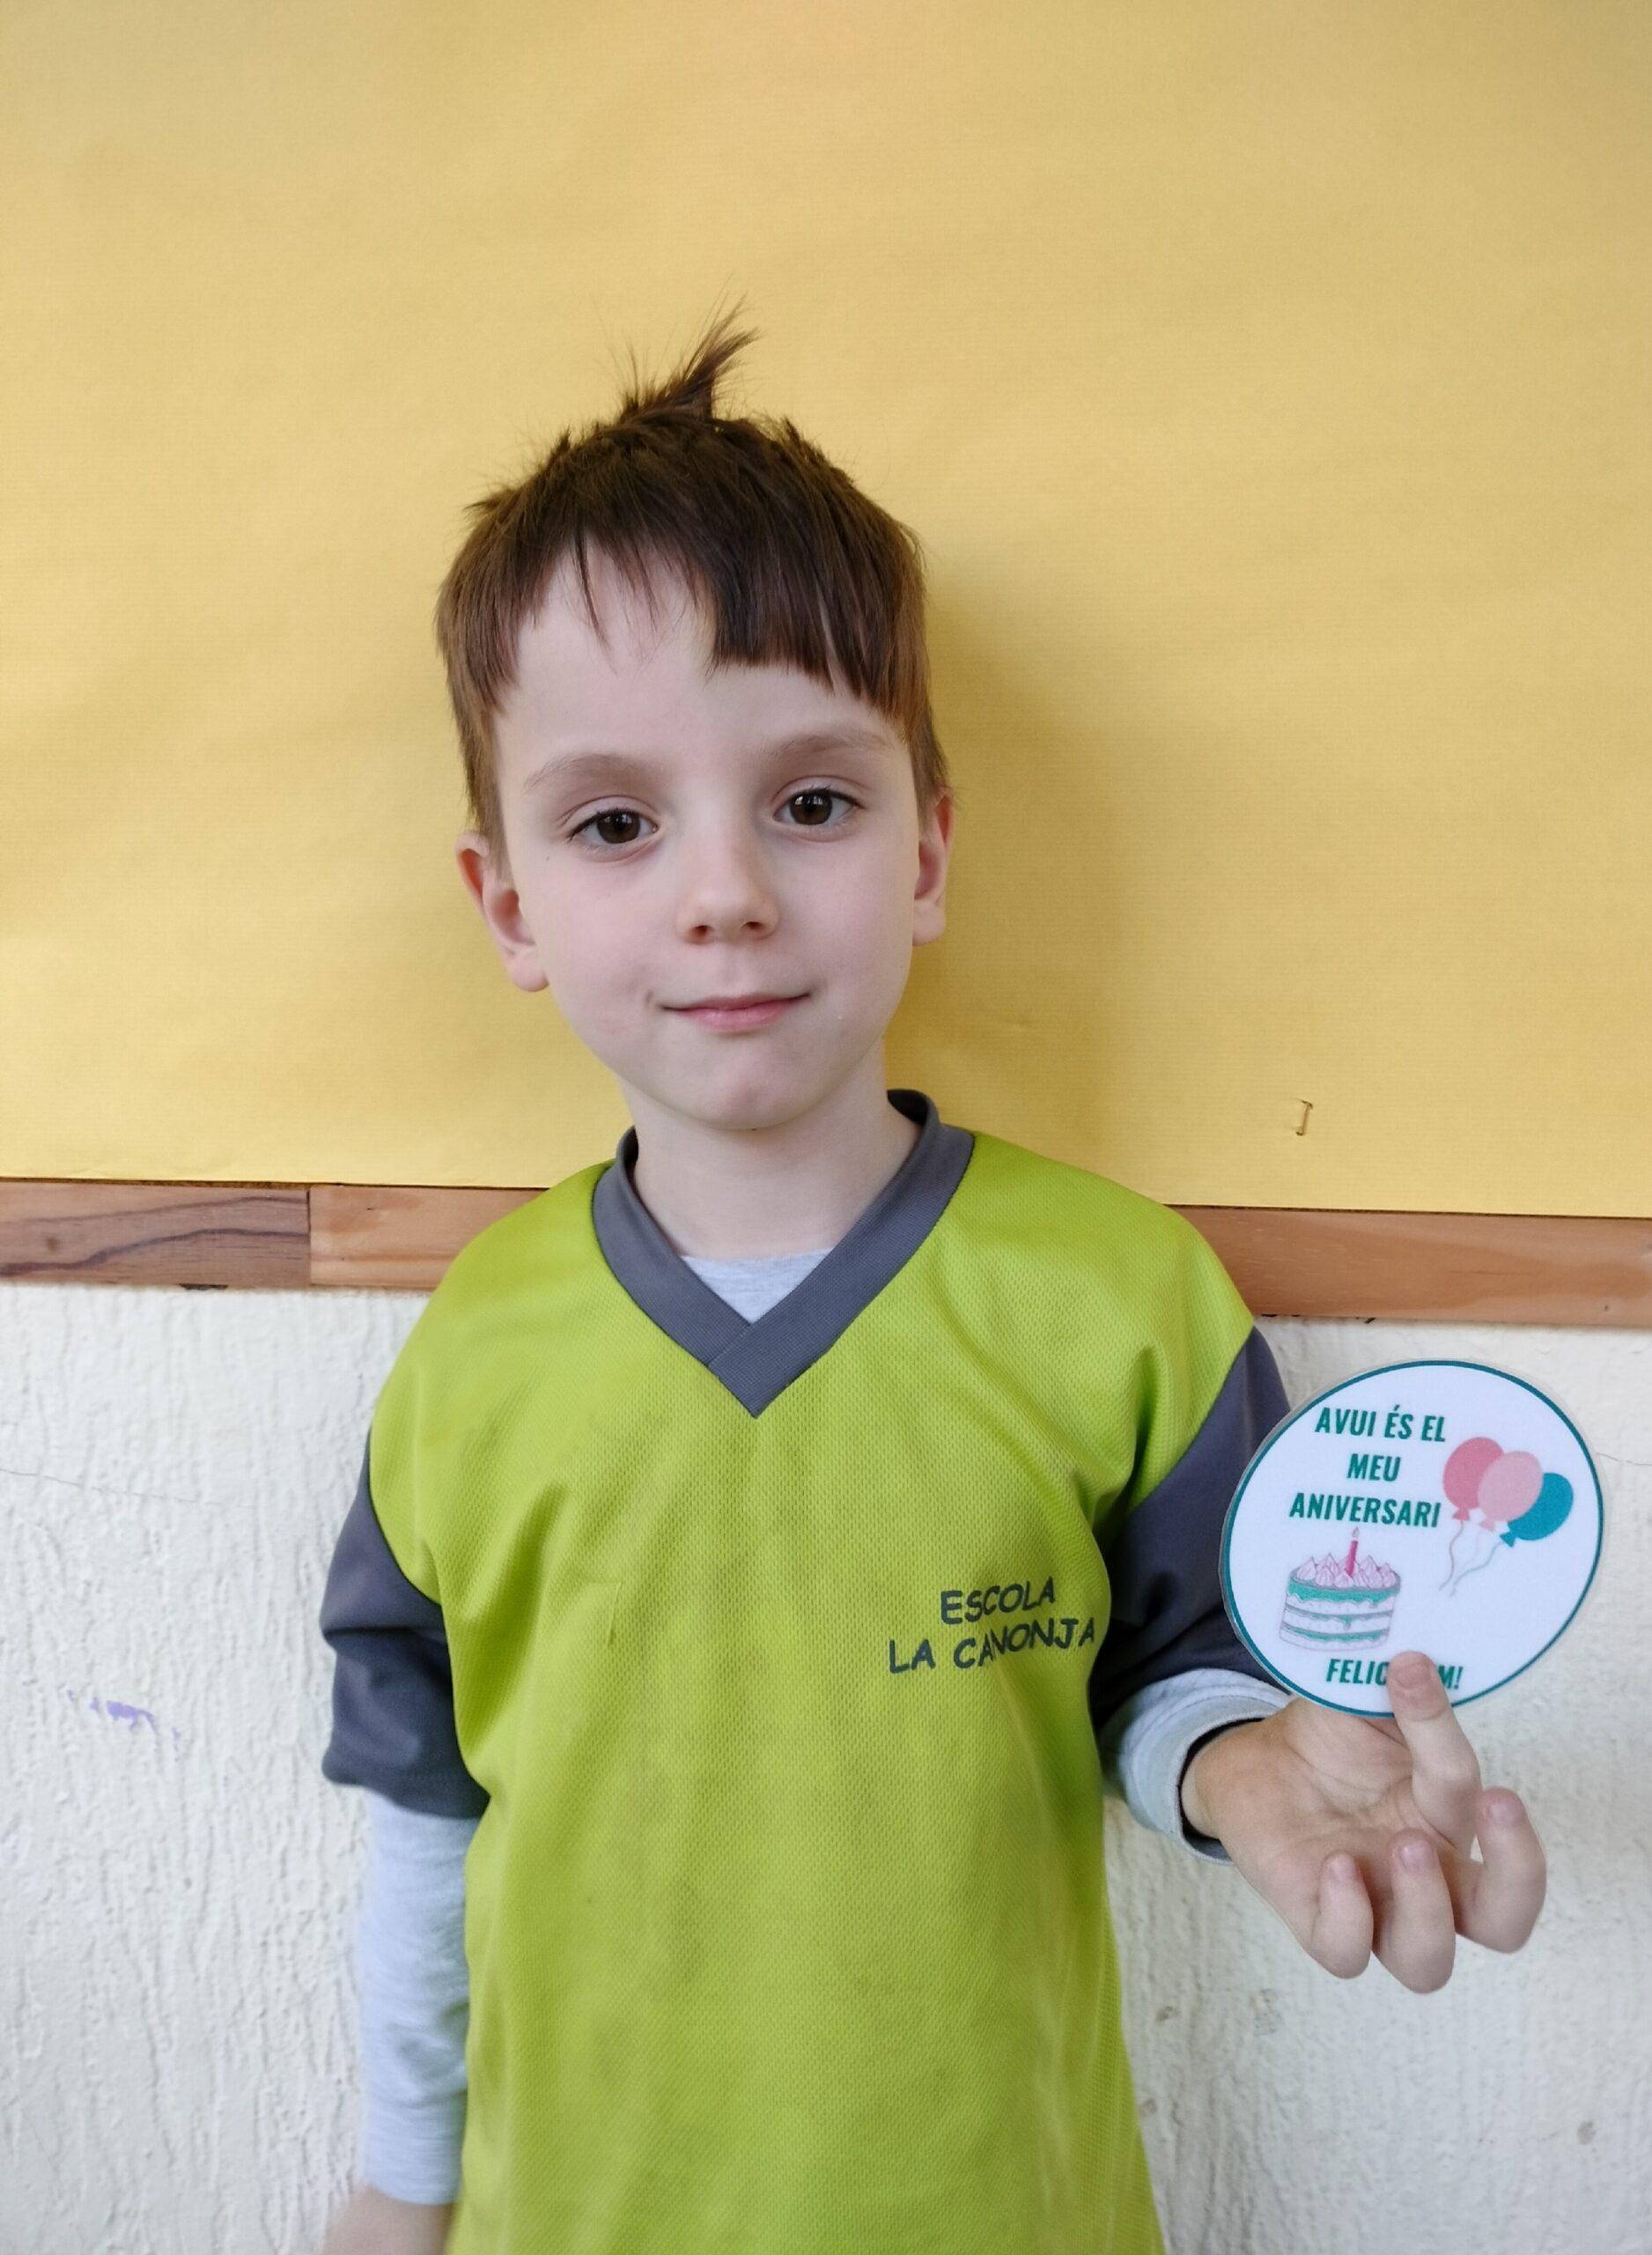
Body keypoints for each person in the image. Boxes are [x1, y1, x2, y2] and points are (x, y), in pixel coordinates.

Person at [314, 307, 1546, 2255]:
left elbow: (1184, 1680)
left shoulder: (1119, 1300)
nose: (725, 891)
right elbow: (425, 1817)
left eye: (810, 801)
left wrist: (1248, 1764)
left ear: (926, 850)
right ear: (508, 903)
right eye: (616, 822)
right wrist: (402, 2189)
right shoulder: (475, 1352)